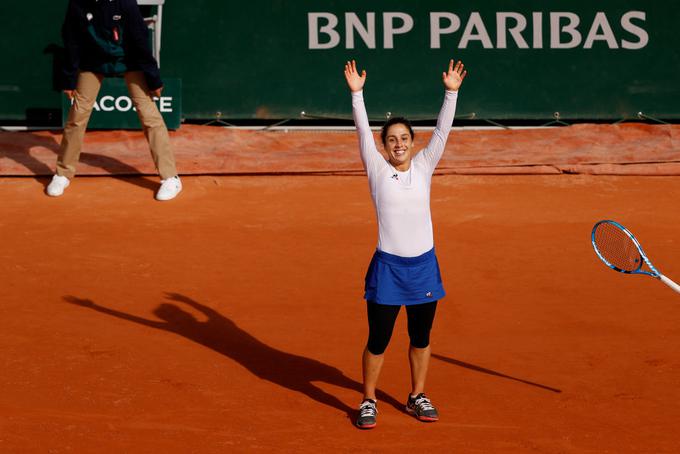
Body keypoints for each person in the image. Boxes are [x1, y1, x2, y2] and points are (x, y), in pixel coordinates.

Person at [343, 59, 467, 429]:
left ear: (413, 144)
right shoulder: (377, 170)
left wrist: (451, 92)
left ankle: (417, 395)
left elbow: (443, 132)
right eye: (392, 139)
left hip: (423, 268)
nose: (398, 144)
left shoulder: (425, 166)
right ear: (384, 146)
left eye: (404, 139)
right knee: (378, 339)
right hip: (388, 270)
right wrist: (357, 95)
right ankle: (369, 398)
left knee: (421, 336)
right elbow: (362, 131)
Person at [47, 0, 181, 201]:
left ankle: (171, 178)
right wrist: (69, 79)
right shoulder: (78, 4)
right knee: (77, 115)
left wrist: (153, 79)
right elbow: (72, 40)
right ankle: (62, 174)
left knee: (149, 115)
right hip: (93, 62)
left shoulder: (125, 3)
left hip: (129, 60)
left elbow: (140, 42)